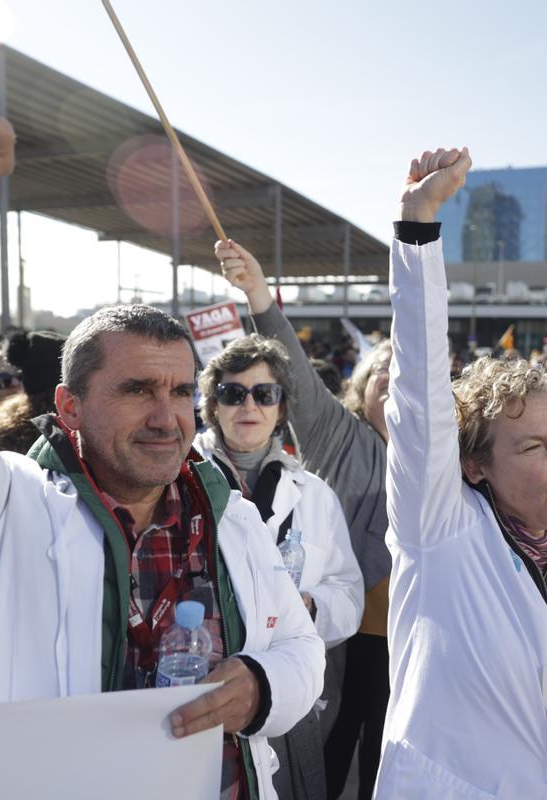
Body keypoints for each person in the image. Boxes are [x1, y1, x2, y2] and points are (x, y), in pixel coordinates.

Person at [0, 75, 322, 800]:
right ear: (68, 407)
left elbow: (299, 647)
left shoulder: (231, 517)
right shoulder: (5, 511)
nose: (168, 416)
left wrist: (259, 686)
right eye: (136, 390)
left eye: (181, 392)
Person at [373, 146, 547, 799]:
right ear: (474, 467)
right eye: (529, 449)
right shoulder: (439, 532)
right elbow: (421, 397)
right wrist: (417, 230)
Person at [216, 251, 394, 798]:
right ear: (361, 389)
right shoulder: (342, 437)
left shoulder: (448, 460)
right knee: (326, 750)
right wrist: (259, 296)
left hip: (408, 639)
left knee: (391, 758)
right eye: (384, 377)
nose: (397, 387)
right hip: (344, 643)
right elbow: (287, 368)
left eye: (412, 381)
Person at [194, 334, 364, 800]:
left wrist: (308, 606)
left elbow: (348, 593)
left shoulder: (314, 494)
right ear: (213, 404)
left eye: (264, 393)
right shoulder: (180, 481)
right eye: (233, 393)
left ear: (281, 407)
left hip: (285, 692)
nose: (249, 405)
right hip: (205, 687)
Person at [0, 330, 65, 453]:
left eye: (19, 378)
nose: (15, 384)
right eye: (4, 380)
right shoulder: (1, 437)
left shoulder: (83, 426)